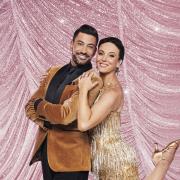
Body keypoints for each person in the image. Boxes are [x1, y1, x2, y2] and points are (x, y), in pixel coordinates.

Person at [77, 37, 180, 180]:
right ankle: (161, 161)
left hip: (113, 159)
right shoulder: (100, 85)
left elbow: (83, 124)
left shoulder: (112, 92)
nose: (104, 58)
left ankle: (164, 162)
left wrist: (83, 90)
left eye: (111, 55)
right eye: (101, 53)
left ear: (118, 63)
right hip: (103, 158)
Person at [25, 24, 103, 180]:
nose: (84, 50)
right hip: (48, 153)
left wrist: (39, 105)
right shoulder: (52, 71)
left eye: (90, 47)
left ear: (94, 52)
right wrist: (47, 122)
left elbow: (65, 116)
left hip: (73, 159)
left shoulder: (92, 79)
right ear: (71, 44)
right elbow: (29, 106)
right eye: (80, 44)